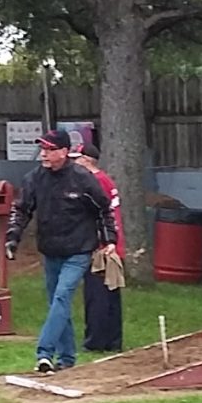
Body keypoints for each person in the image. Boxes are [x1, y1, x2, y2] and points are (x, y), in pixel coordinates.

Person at [5, 130, 118, 373]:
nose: (44, 154)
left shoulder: (83, 178)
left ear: (64, 152)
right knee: (57, 304)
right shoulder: (34, 179)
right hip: (50, 250)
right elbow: (22, 209)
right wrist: (13, 237)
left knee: (61, 297)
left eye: (50, 149)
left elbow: (103, 210)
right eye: (42, 149)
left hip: (79, 250)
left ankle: (44, 353)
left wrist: (109, 240)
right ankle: (67, 359)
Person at [69, 143, 126, 353]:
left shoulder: (94, 182)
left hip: (102, 247)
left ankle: (96, 341)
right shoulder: (105, 179)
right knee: (111, 293)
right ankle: (113, 340)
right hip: (112, 244)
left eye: (77, 158)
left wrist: (98, 243)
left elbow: (99, 214)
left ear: (86, 160)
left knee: (97, 295)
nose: (74, 163)